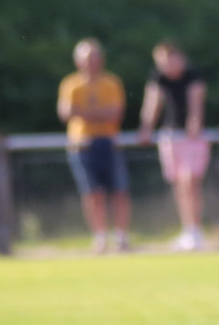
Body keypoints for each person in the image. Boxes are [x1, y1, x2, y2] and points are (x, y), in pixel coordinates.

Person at [57, 38, 130, 254]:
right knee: (92, 193)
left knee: (119, 191)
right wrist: (100, 114)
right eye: (87, 58)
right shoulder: (70, 84)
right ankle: (100, 237)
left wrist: (84, 113)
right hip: (82, 145)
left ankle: (121, 237)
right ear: (78, 61)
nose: (91, 62)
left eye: (95, 57)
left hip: (108, 142)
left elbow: (116, 113)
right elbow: (66, 113)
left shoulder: (112, 82)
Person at [138, 40, 210, 250]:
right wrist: (146, 128)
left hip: (191, 138)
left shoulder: (193, 76)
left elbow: (196, 105)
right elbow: (151, 104)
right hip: (171, 137)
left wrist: (194, 124)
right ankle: (188, 229)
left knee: (190, 182)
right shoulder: (158, 78)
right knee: (179, 185)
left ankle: (196, 230)